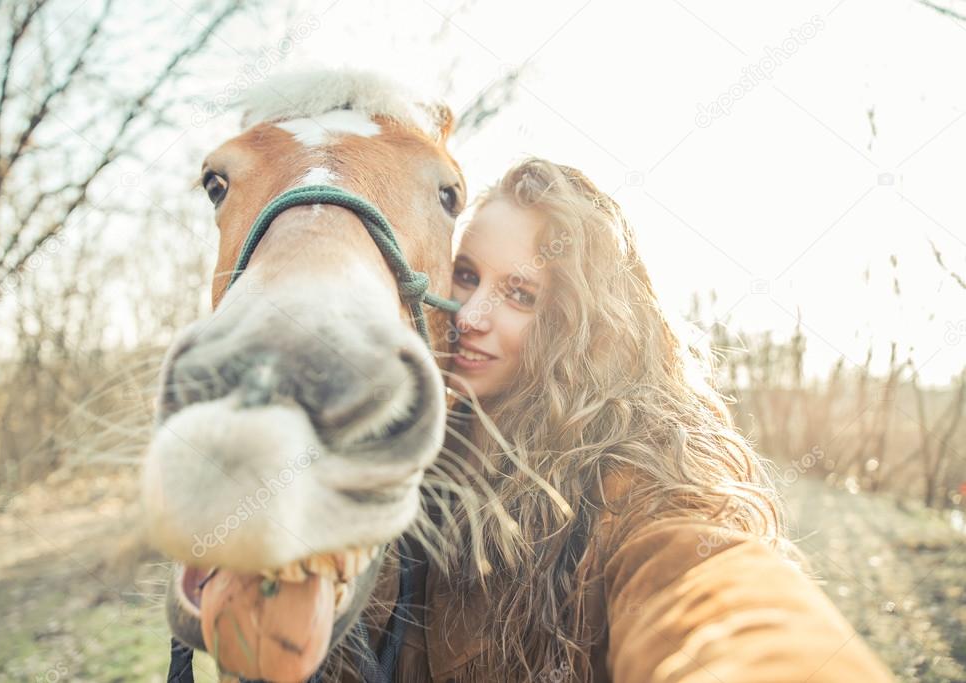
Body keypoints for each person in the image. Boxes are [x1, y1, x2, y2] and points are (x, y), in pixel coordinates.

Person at [359, 158, 892, 682]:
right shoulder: (413, 443)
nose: (470, 317)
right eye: (467, 276)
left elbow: (695, 579)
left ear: (578, 320)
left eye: (520, 295)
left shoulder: (632, 468)